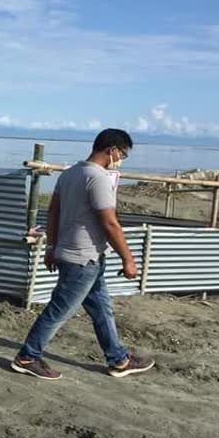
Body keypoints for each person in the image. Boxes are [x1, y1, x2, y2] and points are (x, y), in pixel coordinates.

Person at [11, 129, 154, 379]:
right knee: (59, 310)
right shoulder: (98, 178)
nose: (120, 159)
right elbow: (109, 222)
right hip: (82, 259)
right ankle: (27, 356)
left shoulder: (70, 173)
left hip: (83, 256)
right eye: (122, 154)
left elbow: (53, 212)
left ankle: (118, 359)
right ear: (111, 150)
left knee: (101, 309)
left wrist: (52, 248)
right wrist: (128, 259)